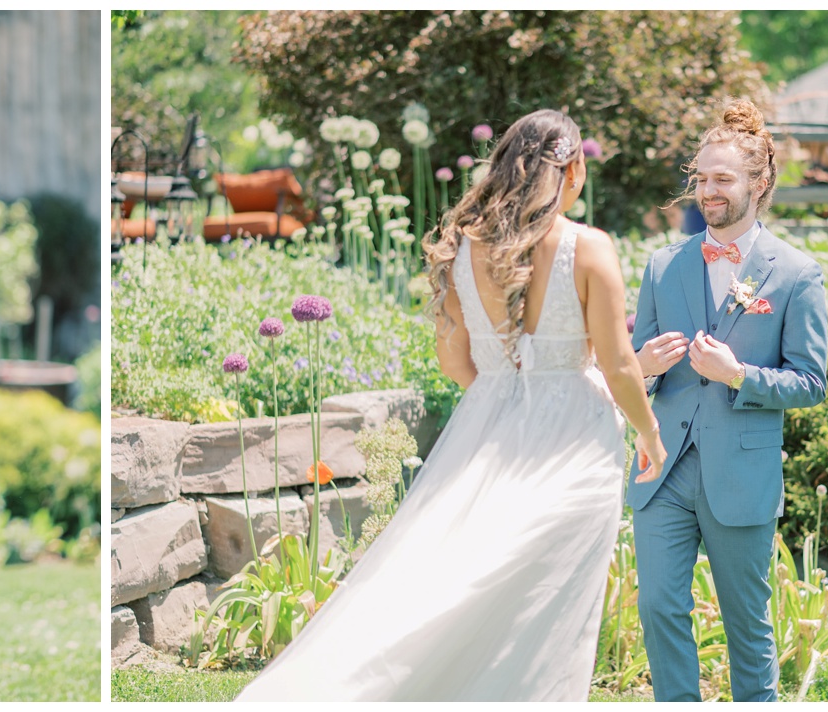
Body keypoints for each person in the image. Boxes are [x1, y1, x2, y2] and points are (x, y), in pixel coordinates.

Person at [235, 108, 663, 701]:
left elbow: (455, 364)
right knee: (544, 603)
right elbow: (618, 366)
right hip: (574, 439)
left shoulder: (464, 249)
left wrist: (507, 391)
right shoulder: (589, 249)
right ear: (571, 169)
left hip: (485, 426)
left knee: (451, 569)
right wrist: (650, 435)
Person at [628, 98, 828, 701]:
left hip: (741, 475)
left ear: (758, 182)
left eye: (723, 179)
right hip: (660, 470)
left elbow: (811, 383)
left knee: (747, 626)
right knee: (660, 608)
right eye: (702, 179)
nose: (708, 191)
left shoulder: (796, 274)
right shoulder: (664, 266)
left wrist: (738, 373)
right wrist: (641, 369)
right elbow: (634, 371)